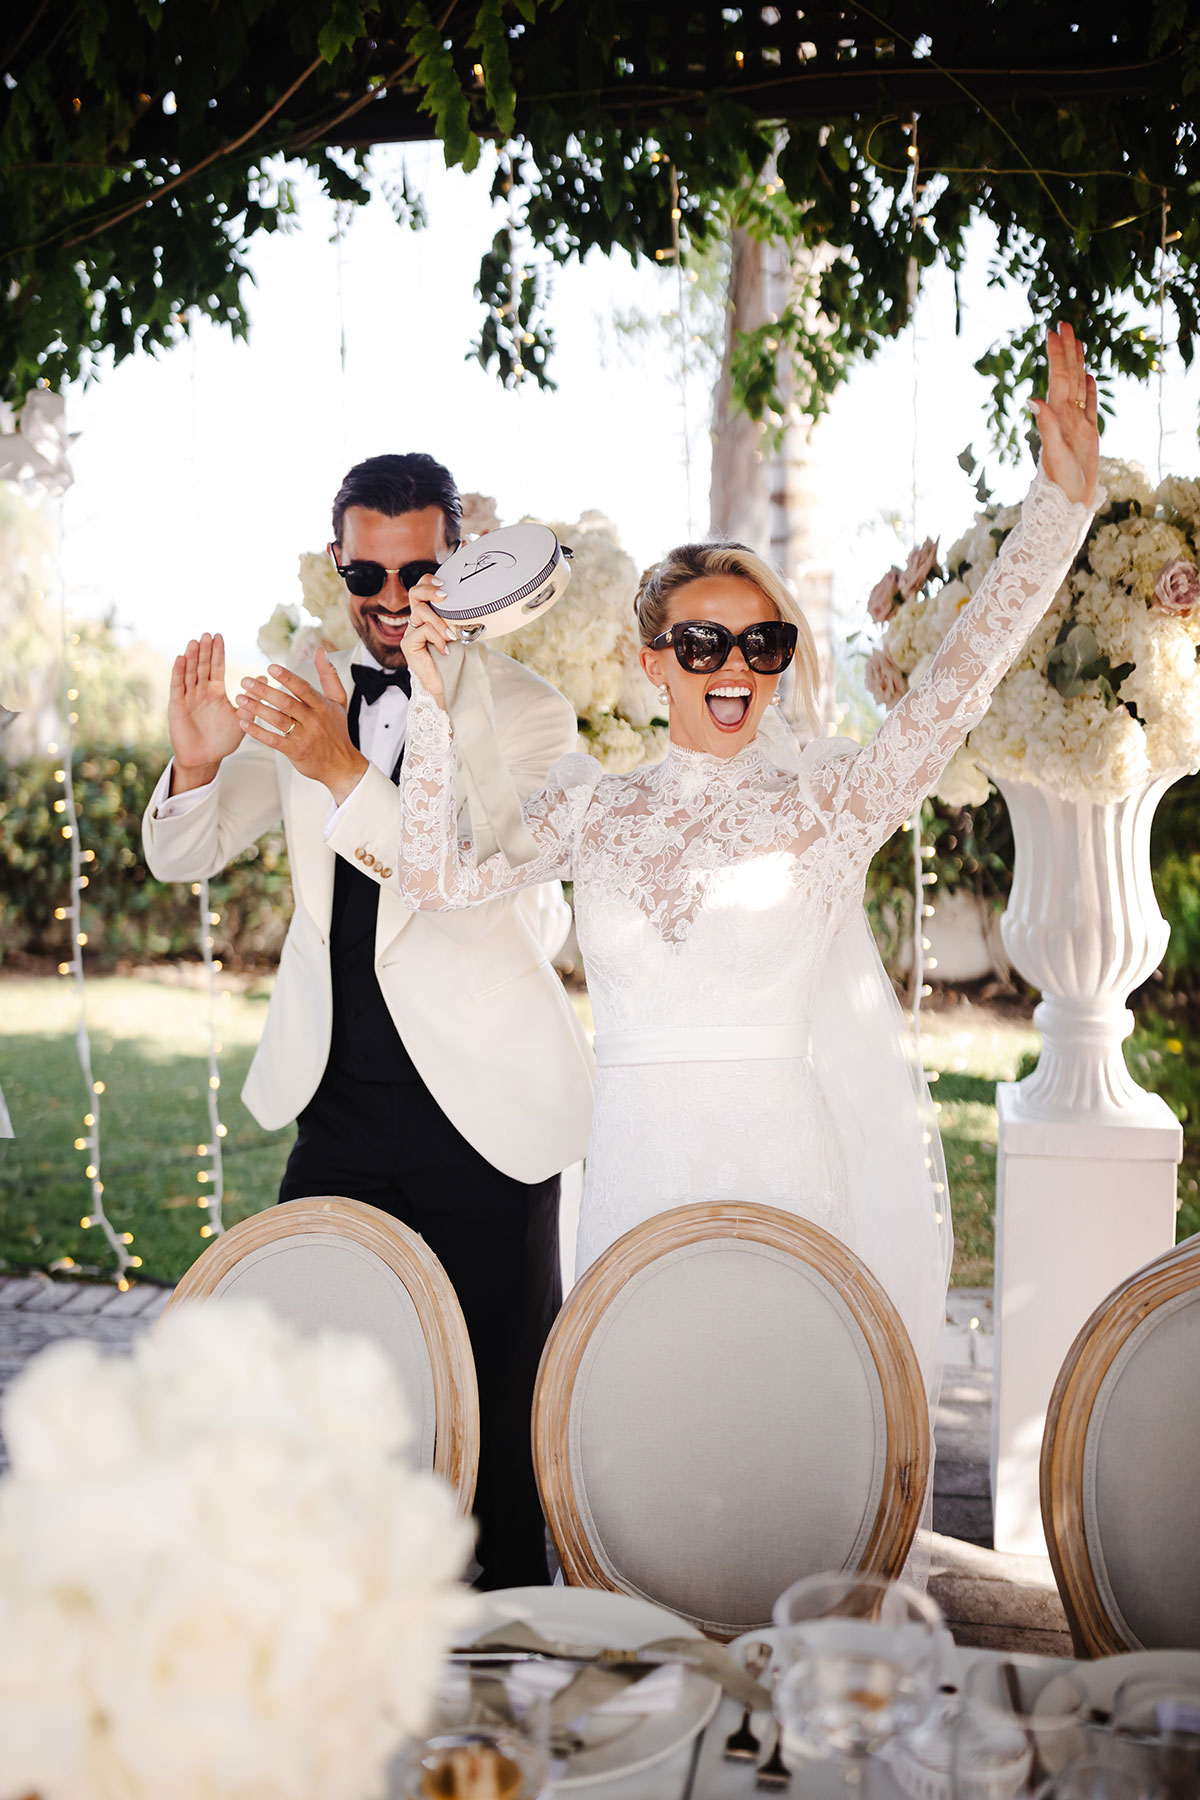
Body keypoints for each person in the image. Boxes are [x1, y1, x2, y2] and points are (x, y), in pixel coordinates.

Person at [388, 325, 1100, 1516]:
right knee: (636, 1466)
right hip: (625, 1176)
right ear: (649, 659)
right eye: (705, 641)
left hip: (783, 1168)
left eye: (763, 644)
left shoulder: (829, 800)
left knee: (783, 1462)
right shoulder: (591, 812)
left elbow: (954, 684)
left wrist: (1060, 512)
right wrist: (426, 693)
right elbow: (439, 879)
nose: (737, 667)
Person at [142, 452, 594, 1589]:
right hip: (336, 1111)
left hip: (485, 1117)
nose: (394, 603)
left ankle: (502, 1705)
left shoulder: (535, 717)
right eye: (369, 575)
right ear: (339, 563)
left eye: (421, 573)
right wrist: (196, 765)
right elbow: (182, 852)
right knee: (323, 1398)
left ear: (460, 559)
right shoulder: (308, 695)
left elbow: (481, 890)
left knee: (495, 1437)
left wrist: (344, 770)